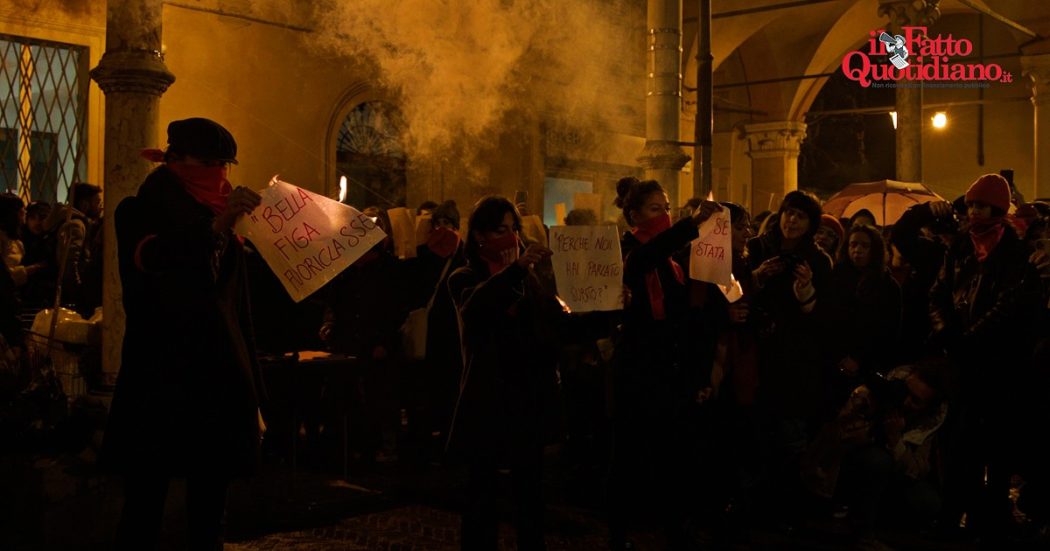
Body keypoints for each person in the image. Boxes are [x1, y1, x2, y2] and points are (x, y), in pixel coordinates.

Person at [101, 118, 266, 550]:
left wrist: (251, 392)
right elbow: (158, 263)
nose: (220, 175)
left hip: (216, 387)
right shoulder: (139, 211)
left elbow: (236, 312)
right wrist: (217, 227)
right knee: (144, 509)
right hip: (161, 384)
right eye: (209, 163)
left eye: (224, 164)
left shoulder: (224, 220)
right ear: (174, 160)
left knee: (209, 513)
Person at [607, 178, 722, 549]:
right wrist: (689, 225)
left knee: (672, 453)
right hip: (635, 369)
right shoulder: (626, 250)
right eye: (656, 209)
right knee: (628, 454)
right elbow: (641, 261)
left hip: (668, 370)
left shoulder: (673, 261)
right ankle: (619, 531)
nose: (665, 216)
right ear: (634, 215)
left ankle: (673, 526)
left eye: (668, 207)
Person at [447, 196, 562, 550]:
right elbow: (476, 308)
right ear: (480, 235)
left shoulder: (531, 279)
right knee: (482, 491)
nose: (511, 237)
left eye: (515, 229)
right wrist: (515, 271)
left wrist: (610, 305)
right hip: (489, 398)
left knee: (530, 492)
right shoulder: (465, 276)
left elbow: (557, 325)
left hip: (528, 395)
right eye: (501, 230)